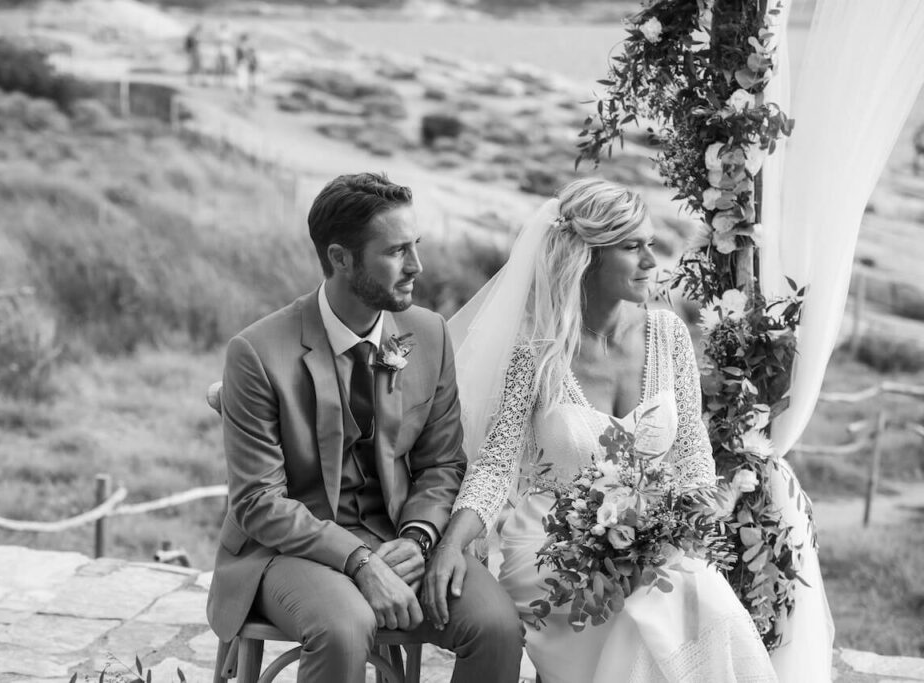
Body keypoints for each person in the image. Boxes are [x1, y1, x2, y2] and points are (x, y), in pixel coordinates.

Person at [423, 177, 778, 683]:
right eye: (632, 247)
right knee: (638, 617)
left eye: (650, 244)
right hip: (551, 551)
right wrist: (452, 545)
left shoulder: (669, 335)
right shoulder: (537, 352)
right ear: (586, 256)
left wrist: (680, 538)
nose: (652, 262)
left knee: (705, 596)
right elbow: (495, 466)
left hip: (653, 543)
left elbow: (693, 457)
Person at [205, 172, 523, 683]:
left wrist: (420, 538)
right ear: (340, 258)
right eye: (397, 252)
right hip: (288, 550)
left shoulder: (429, 334)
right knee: (344, 626)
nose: (416, 267)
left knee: (497, 626)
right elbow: (258, 502)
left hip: (399, 537)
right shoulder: (256, 353)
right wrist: (358, 561)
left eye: (415, 246)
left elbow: (442, 462)